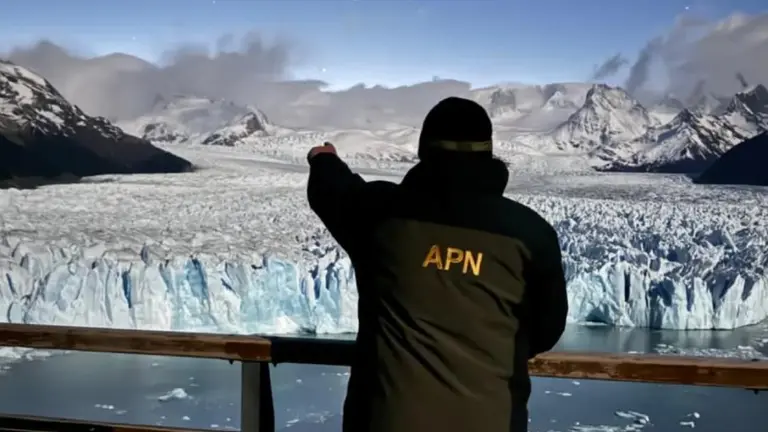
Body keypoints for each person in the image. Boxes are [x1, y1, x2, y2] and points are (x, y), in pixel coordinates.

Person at [306, 96, 568, 432]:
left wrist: (324, 159)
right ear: (488, 152)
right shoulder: (531, 235)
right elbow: (546, 330)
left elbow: (332, 192)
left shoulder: (380, 216)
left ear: (424, 150)